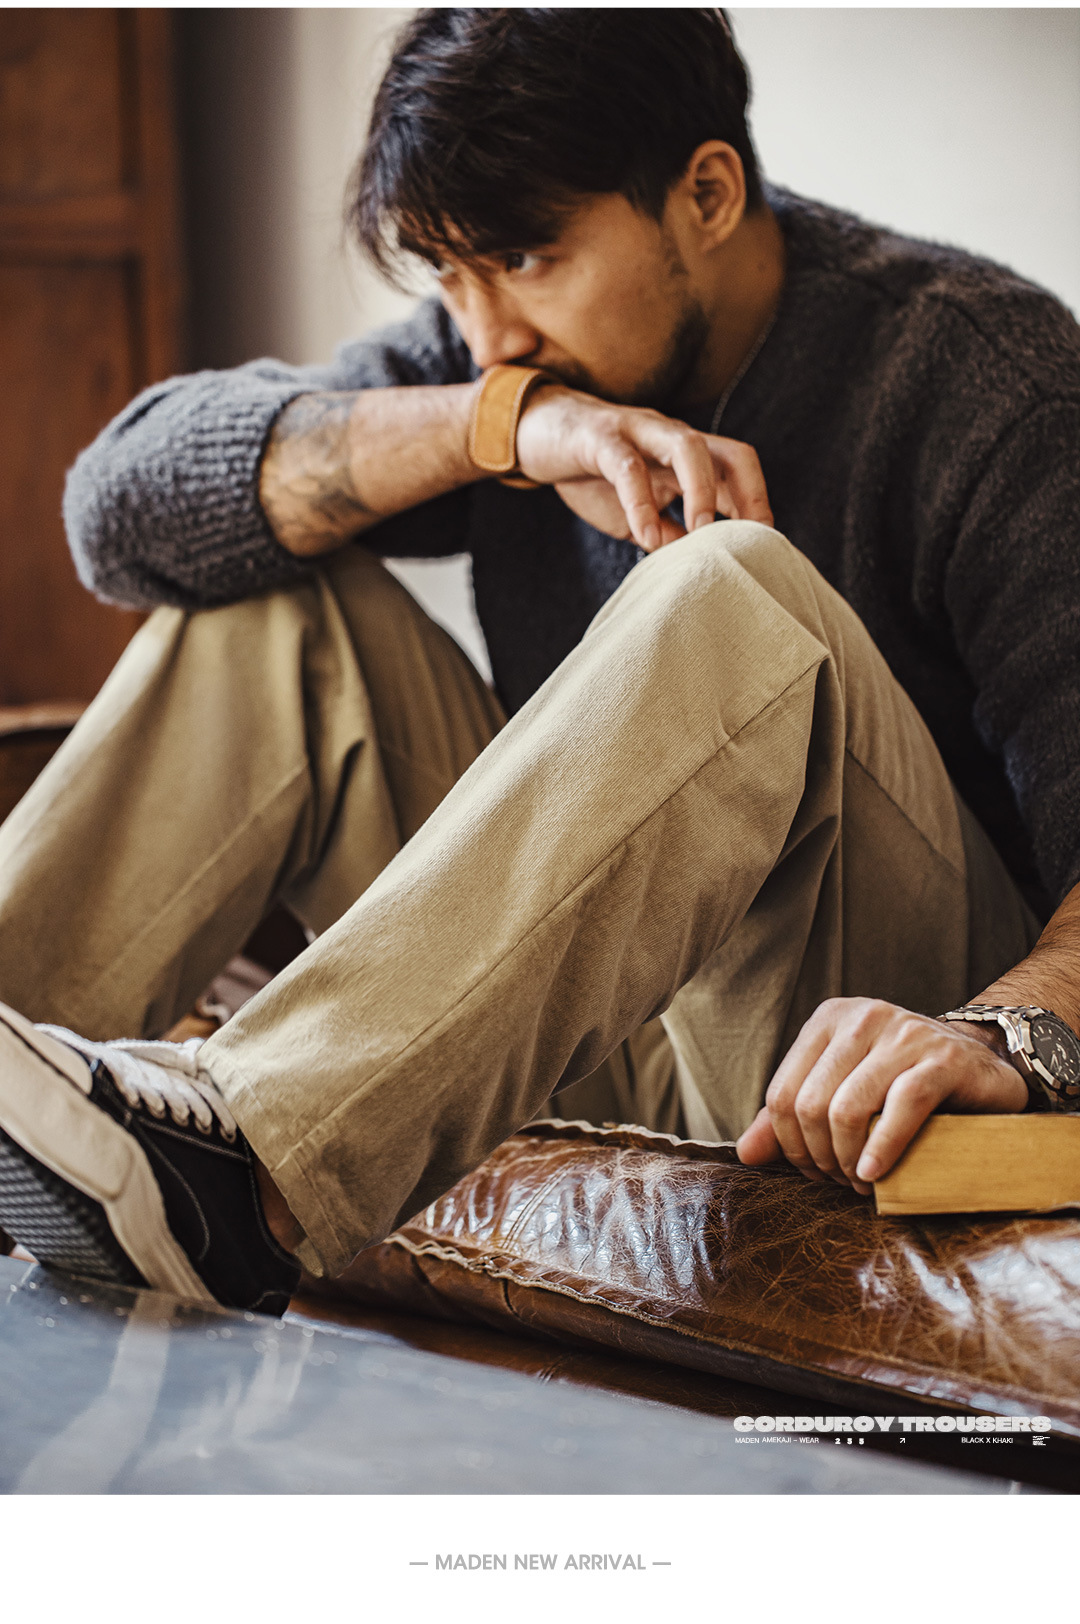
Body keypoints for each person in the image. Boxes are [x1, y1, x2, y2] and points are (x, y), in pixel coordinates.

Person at [1, 8, 1079, 1317]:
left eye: (523, 257)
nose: (486, 333)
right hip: (606, 1023)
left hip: (857, 1052)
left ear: (707, 194)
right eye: (447, 276)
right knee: (273, 613)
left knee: (733, 589)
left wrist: (1006, 1035)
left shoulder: (986, 379)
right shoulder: (512, 358)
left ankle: (254, 1179)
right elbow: (117, 513)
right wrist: (504, 428)